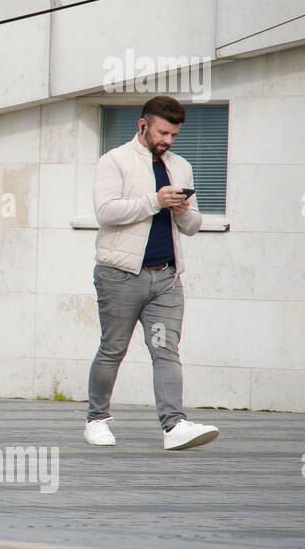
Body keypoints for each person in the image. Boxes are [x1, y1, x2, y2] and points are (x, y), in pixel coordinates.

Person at [86, 95, 219, 450]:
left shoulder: (181, 166)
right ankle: (97, 418)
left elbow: (192, 226)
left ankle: (174, 425)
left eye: (174, 135)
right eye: (163, 133)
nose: (168, 141)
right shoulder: (114, 161)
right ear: (142, 126)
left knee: (166, 350)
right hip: (120, 275)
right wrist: (154, 201)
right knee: (113, 349)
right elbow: (106, 211)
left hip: (166, 278)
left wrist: (182, 210)